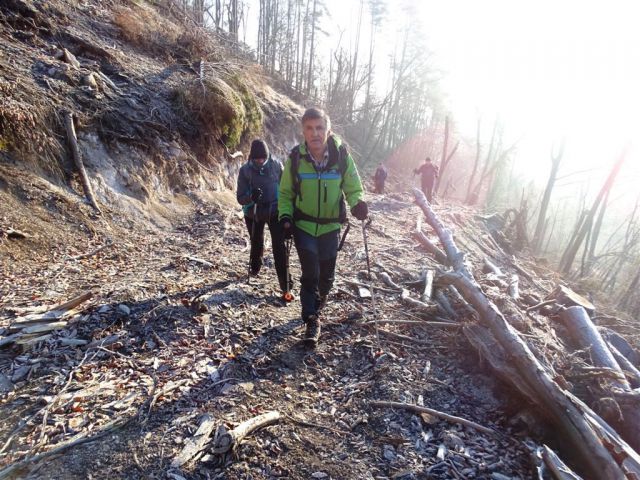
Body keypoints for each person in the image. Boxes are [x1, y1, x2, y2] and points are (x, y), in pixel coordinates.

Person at [278, 108, 367, 346]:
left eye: (319, 128)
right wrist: (285, 217)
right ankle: (311, 318)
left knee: (326, 276)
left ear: (328, 130)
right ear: (303, 131)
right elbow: (285, 193)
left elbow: (352, 186)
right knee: (310, 273)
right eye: (309, 128)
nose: (315, 133)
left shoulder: (341, 156)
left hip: (330, 227)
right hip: (304, 225)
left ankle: (319, 301)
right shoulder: (296, 158)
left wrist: (357, 203)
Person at [237, 139, 292, 301]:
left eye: (263, 158)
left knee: (279, 247)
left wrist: (288, 211)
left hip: (275, 211)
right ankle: (255, 267)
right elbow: (240, 198)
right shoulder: (245, 171)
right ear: (251, 158)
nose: (260, 161)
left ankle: (286, 285)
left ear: (267, 156)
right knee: (256, 241)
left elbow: (285, 189)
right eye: (257, 159)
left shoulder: (276, 166)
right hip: (253, 212)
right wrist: (251, 197)